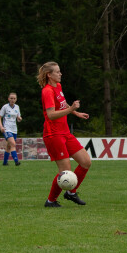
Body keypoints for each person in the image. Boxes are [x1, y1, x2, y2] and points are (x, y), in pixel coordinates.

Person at [37, 62, 92, 208]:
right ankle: (51, 201)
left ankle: (71, 193)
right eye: (57, 72)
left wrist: (75, 112)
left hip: (65, 133)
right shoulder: (47, 91)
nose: (60, 74)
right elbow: (51, 115)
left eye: (60, 71)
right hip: (53, 135)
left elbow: (63, 104)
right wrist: (71, 109)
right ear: (49, 75)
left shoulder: (58, 87)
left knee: (86, 162)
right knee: (65, 171)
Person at [0, 92, 22, 166]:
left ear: (16, 99)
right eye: (11, 98)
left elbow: (19, 118)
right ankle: (16, 161)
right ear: (8, 99)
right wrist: (1, 126)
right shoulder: (5, 107)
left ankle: (5, 163)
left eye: (14, 98)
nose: (12, 100)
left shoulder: (17, 107)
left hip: (14, 129)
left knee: (9, 146)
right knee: (13, 144)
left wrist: (19, 118)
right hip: (6, 128)